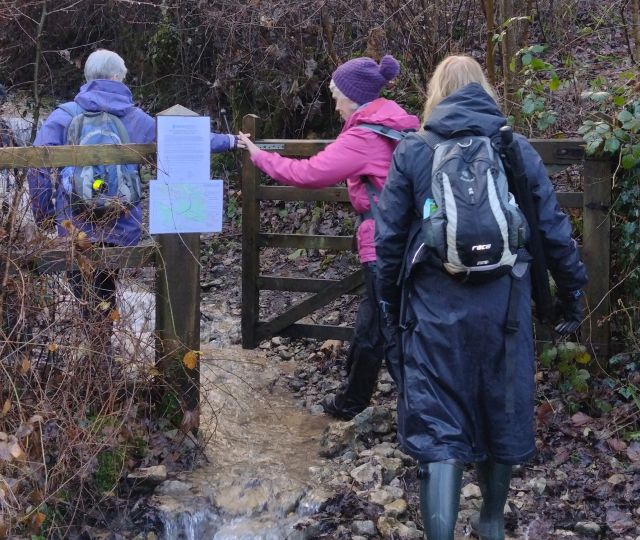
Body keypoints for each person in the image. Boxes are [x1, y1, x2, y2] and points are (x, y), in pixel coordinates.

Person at [375, 55, 587, 540]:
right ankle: (491, 525)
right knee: (503, 402)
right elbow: (551, 227)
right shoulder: (512, 147)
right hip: (505, 304)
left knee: (440, 424)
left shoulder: (415, 150)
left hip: (434, 308)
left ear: (436, 95)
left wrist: (385, 307)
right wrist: (572, 291)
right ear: (486, 92)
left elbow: (389, 240)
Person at [237, 55, 419, 420]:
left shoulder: (365, 136)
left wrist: (258, 155)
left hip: (384, 244)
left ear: (354, 96)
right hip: (409, 239)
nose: (334, 102)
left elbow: (310, 173)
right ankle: (354, 402)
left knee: (383, 327)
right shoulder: (399, 125)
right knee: (379, 321)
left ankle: (415, 415)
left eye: (336, 94)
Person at [28, 49, 242, 321]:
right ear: (116, 77)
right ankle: (102, 350)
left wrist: (44, 215)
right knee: (105, 289)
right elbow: (184, 139)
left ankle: (98, 352)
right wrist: (231, 141)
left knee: (86, 294)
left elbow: (36, 167)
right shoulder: (134, 118)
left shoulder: (64, 115)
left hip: (76, 226)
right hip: (120, 224)